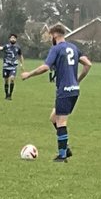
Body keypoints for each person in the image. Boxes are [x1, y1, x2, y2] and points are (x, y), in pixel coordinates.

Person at [19, 23, 92, 161]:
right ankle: (66, 147)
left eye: (50, 36)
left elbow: (45, 67)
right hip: (74, 90)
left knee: (61, 121)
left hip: (64, 90)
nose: (50, 39)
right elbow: (88, 64)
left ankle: (62, 155)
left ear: (55, 35)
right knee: (54, 118)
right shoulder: (73, 47)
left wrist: (28, 74)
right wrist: (77, 80)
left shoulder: (56, 49)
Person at [0, 33, 23, 100]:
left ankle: (10, 95)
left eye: (14, 38)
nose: (13, 39)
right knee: (6, 81)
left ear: (16, 39)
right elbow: (1, 48)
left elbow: (20, 55)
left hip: (13, 66)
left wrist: (21, 64)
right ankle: (6, 94)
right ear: (9, 39)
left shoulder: (18, 47)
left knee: (12, 79)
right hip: (6, 66)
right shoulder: (6, 46)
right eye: (12, 38)